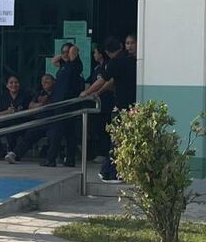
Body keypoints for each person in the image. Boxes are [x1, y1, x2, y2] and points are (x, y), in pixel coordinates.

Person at [82, 37, 136, 183]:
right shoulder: (127, 60)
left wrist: (86, 93)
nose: (129, 46)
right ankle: (109, 172)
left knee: (119, 140)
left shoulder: (117, 62)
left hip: (122, 106)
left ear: (106, 52)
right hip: (127, 106)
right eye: (127, 43)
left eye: (132, 43)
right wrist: (97, 92)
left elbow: (104, 80)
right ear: (121, 45)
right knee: (119, 140)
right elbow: (109, 81)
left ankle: (109, 171)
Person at [41, 43, 85, 167]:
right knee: (67, 132)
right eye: (63, 52)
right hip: (59, 102)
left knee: (59, 132)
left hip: (67, 102)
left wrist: (71, 50)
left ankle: (52, 159)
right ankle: (69, 159)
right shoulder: (63, 65)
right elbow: (53, 60)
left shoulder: (75, 65)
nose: (66, 54)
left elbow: (74, 51)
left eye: (68, 52)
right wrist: (62, 55)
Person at [3, 73, 57, 163]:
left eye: (47, 80)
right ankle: (15, 155)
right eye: (42, 81)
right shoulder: (40, 93)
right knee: (28, 136)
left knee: (54, 137)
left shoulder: (57, 93)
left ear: (53, 81)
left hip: (52, 121)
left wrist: (43, 103)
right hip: (39, 122)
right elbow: (31, 106)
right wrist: (41, 104)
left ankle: (50, 160)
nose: (44, 82)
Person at [0, 74, 31, 159]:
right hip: (6, 120)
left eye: (16, 82)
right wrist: (7, 112)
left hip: (20, 121)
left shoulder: (26, 96)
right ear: (7, 85)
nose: (14, 85)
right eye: (11, 83)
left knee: (12, 131)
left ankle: (13, 154)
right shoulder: (3, 96)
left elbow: (29, 111)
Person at [85, 45, 112, 159]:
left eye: (95, 53)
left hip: (107, 101)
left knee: (106, 128)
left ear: (101, 54)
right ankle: (99, 151)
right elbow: (90, 81)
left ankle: (105, 152)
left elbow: (108, 81)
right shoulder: (96, 68)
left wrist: (98, 91)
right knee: (98, 128)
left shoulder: (107, 66)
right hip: (96, 102)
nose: (94, 55)